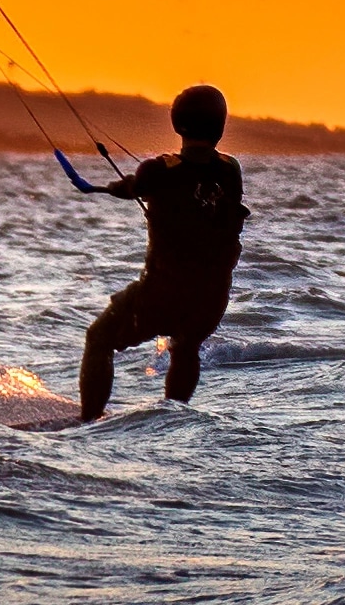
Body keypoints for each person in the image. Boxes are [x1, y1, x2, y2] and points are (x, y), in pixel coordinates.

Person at [77, 86, 246, 418]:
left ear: (177, 124)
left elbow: (134, 188)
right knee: (186, 347)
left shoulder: (158, 170)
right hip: (212, 297)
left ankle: (88, 422)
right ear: (221, 126)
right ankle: (174, 418)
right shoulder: (231, 169)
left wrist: (118, 186)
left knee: (99, 337)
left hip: (163, 294)